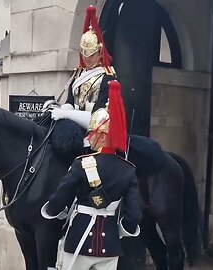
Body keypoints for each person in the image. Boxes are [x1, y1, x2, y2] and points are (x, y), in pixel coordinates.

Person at [41, 81, 142, 270]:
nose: (89, 138)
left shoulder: (82, 163)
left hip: (79, 239)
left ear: (103, 135)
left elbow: (60, 198)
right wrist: (120, 230)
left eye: (93, 133)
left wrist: (53, 211)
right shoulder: (127, 169)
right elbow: (134, 214)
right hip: (111, 244)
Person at [49, 6, 117, 133]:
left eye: (91, 54)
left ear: (100, 52)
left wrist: (66, 115)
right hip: (74, 129)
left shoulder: (107, 77)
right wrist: (59, 109)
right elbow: (70, 101)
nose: (87, 59)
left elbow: (97, 118)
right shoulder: (78, 74)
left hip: (95, 135)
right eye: (84, 54)